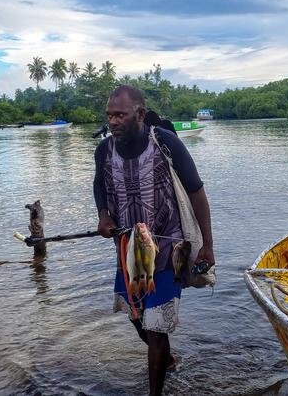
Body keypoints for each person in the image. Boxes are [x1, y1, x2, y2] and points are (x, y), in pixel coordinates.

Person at [93, 85, 214, 396]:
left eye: (120, 114)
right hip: (128, 251)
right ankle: (168, 360)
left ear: (141, 114)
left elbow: (197, 192)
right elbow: (99, 187)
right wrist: (103, 215)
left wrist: (207, 245)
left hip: (166, 250)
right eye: (110, 116)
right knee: (138, 319)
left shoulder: (165, 143)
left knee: (156, 327)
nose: (114, 121)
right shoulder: (104, 151)